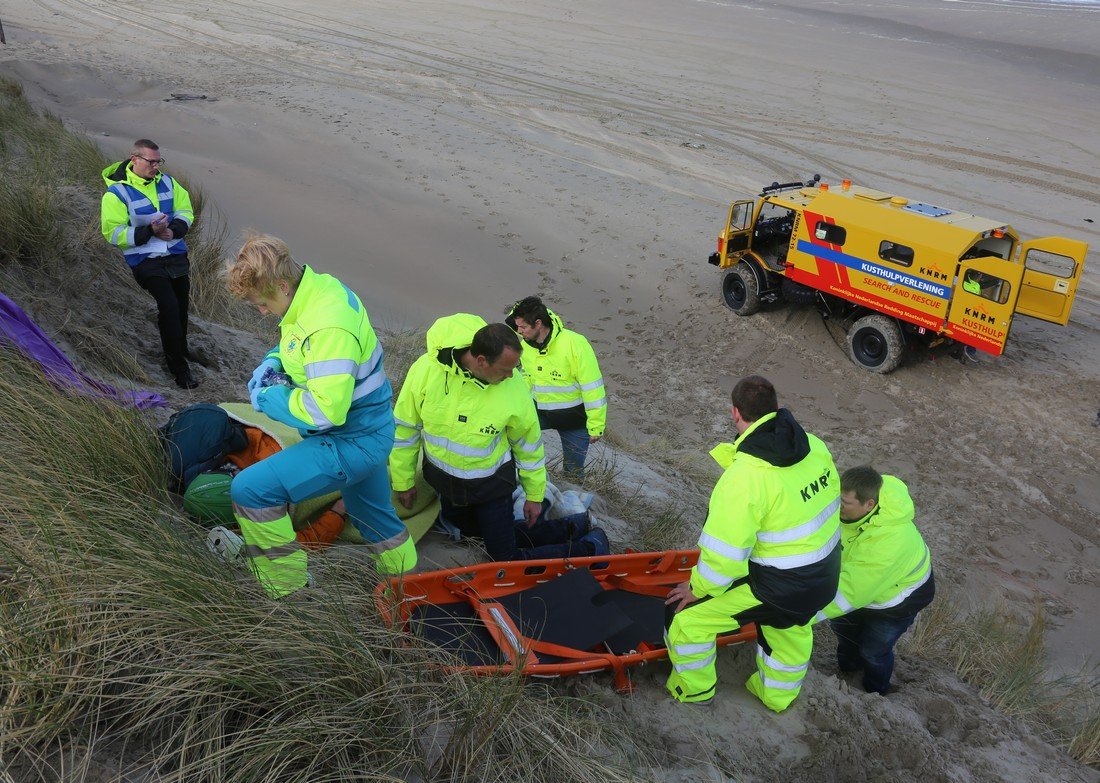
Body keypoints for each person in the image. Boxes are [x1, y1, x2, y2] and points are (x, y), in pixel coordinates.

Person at [224, 233, 416, 598]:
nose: (262, 312)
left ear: (281, 285)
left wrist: (268, 398)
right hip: (371, 431)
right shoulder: (315, 290)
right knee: (375, 517)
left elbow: (325, 411)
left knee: (250, 490)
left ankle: (288, 592)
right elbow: (295, 342)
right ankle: (407, 588)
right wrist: (273, 361)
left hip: (351, 440)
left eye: (261, 303)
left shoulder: (329, 325)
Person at [664, 376, 841, 711]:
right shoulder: (815, 447)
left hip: (780, 587)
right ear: (776, 407)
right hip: (825, 578)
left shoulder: (745, 477)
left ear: (735, 414)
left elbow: (723, 557)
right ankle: (776, 696)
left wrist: (697, 588)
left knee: (687, 623)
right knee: (789, 629)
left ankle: (695, 692)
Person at [390, 314, 609, 561]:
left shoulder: (514, 389)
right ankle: (575, 525)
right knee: (472, 534)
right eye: (505, 370)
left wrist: (535, 496)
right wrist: (403, 481)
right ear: (481, 360)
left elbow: (529, 447)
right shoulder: (425, 371)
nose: (511, 376)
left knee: (503, 557)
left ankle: (591, 548)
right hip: (445, 485)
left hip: (492, 488)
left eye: (515, 369)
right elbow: (405, 429)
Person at [815, 466, 935, 695]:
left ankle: (876, 692)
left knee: (874, 650)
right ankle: (848, 671)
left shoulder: (888, 542)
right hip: (861, 583)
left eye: (845, 503)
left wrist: (796, 614)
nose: (837, 506)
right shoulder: (849, 507)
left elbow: (851, 592)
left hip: (897, 600)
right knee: (844, 631)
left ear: (869, 504)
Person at [101, 139, 198, 389]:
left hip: (174, 252)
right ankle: (178, 367)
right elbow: (112, 233)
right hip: (144, 259)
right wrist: (148, 232)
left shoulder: (167, 181)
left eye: (158, 161)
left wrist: (175, 230)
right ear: (134, 159)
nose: (156, 166)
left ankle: (182, 350)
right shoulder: (116, 193)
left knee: (181, 305)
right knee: (168, 307)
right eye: (151, 162)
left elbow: (186, 210)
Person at [506, 296, 606, 481]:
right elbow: (527, 376)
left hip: (574, 420)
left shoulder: (575, 343)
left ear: (538, 323)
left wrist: (596, 425)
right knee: (508, 438)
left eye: (523, 327)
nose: (519, 332)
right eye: (518, 327)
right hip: (539, 413)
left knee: (573, 472)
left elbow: (592, 386)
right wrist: (521, 402)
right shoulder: (525, 346)